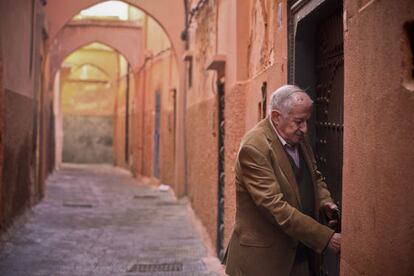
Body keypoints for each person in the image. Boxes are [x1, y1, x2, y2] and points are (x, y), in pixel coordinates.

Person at [223, 85, 341, 276]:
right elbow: (274, 207)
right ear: (277, 117)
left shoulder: (297, 135)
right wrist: (326, 238)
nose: (305, 128)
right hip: (264, 262)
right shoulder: (254, 147)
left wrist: (325, 202)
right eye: (299, 121)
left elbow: (314, 176)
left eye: (306, 121)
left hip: (300, 254)